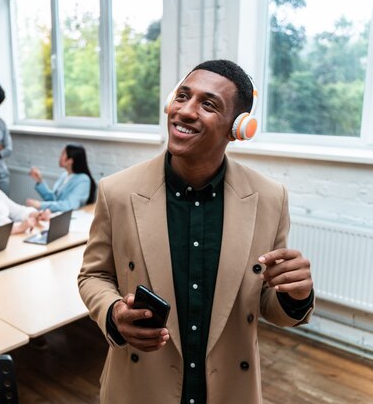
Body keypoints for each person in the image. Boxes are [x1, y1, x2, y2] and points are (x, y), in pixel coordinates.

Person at [78, 59, 314, 404]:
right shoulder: (116, 192)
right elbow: (93, 275)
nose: (185, 111)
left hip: (230, 390)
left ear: (239, 128)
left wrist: (295, 294)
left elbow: (264, 303)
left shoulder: (269, 198)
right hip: (140, 386)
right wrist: (113, 312)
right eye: (182, 96)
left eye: (207, 104)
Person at [25, 144, 96, 212]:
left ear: (70, 160)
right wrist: (39, 181)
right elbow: (53, 199)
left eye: (63, 154)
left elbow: (69, 205)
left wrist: (40, 205)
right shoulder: (64, 175)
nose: (60, 156)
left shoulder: (83, 180)